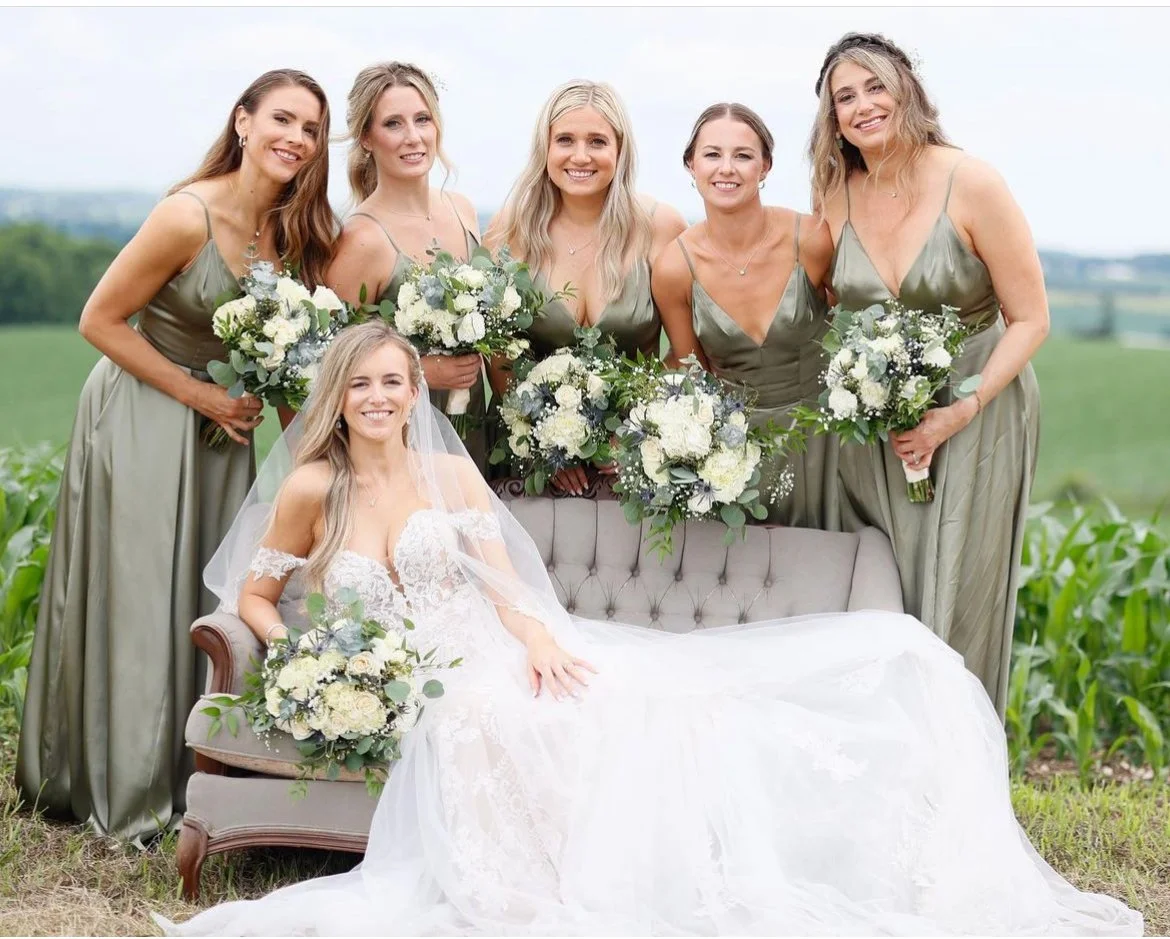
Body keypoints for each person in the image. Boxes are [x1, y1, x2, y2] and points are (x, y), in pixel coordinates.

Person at [158, 321, 1138, 936]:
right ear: (341, 394)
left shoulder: (446, 475)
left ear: (414, 394)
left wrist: (540, 636)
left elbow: (500, 579)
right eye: (364, 384)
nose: (381, 399)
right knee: (497, 724)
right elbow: (254, 596)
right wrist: (307, 655)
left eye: (396, 383)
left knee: (627, 703)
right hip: (407, 681)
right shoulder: (311, 486)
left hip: (491, 646)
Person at [16, 68, 334, 843]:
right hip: (143, 411)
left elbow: (286, 360)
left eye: (312, 128)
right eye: (283, 119)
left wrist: (317, 459)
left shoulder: (287, 234)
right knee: (139, 589)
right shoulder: (186, 215)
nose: (295, 138)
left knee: (200, 590)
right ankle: (123, 785)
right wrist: (205, 398)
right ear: (243, 121)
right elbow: (100, 320)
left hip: (220, 431)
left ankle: (187, 771)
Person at [811, 32, 1045, 715]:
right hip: (881, 430)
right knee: (887, 597)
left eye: (874, 87)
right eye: (844, 98)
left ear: (906, 89)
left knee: (955, 591)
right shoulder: (836, 194)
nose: (862, 107)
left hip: (979, 412)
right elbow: (824, 306)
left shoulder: (972, 181)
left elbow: (1030, 318)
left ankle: (955, 777)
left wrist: (960, 409)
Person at [486, 79, 686, 495]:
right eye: (565, 140)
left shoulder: (659, 227)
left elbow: (685, 354)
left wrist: (635, 433)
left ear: (620, 149)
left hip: (634, 457)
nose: (581, 156)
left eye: (597, 141)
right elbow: (499, 354)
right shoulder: (511, 229)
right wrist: (543, 445)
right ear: (545, 148)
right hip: (529, 457)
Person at [653, 103, 837, 527]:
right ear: (691, 165)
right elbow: (689, 368)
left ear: (765, 166)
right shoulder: (674, 268)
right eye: (713, 154)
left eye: (743, 155)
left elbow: (855, 324)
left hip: (832, 444)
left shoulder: (810, 238)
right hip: (743, 458)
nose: (727, 169)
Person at [326, 61, 490, 473]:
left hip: (473, 422)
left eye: (422, 120)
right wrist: (423, 371)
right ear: (367, 137)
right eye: (393, 124)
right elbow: (330, 361)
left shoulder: (463, 210)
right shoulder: (361, 239)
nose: (413, 137)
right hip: (399, 439)